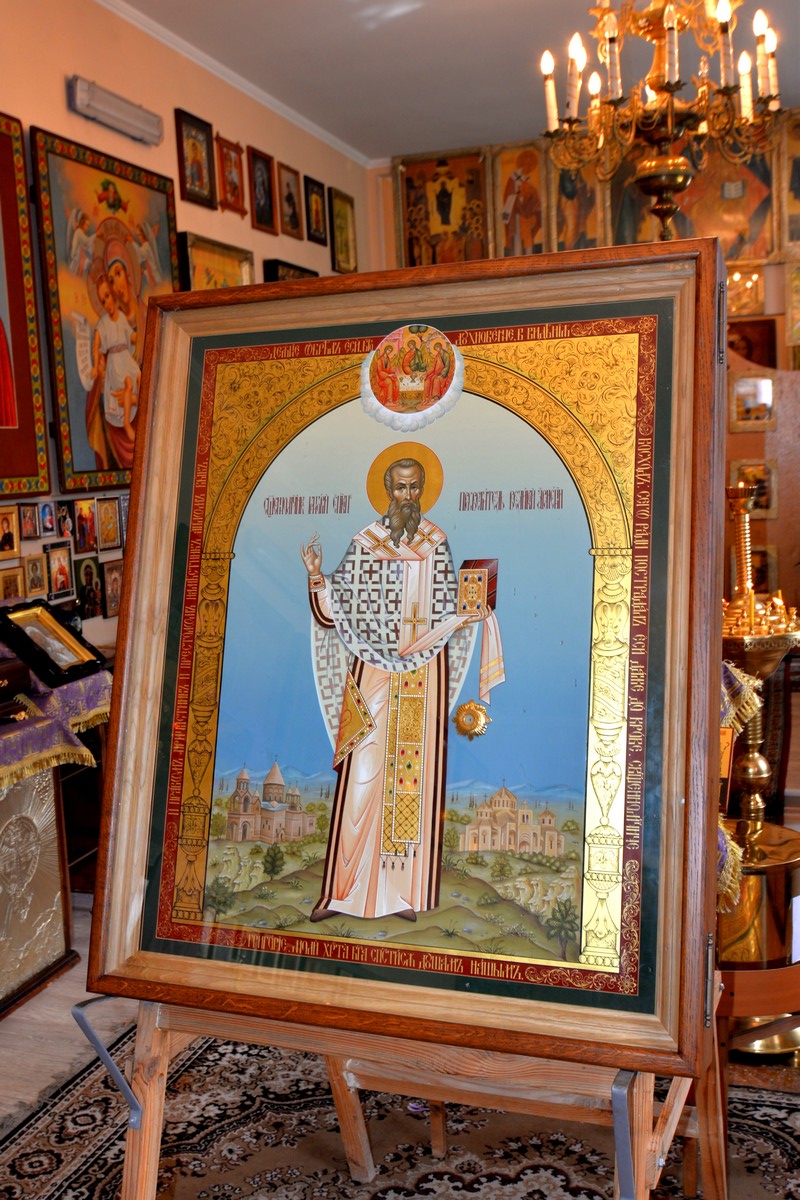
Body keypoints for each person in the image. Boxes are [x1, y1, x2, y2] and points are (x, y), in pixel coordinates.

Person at [301, 455, 504, 922]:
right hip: (373, 671)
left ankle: (398, 895)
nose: (407, 497)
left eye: (414, 488)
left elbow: (449, 608)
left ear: (423, 490)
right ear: (387, 490)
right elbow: (336, 611)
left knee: (409, 783)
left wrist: (473, 608)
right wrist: (316, 574)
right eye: (400, 488)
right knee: (362, 776)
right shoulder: (365, 544)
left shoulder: (436, 543)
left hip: (421, 676)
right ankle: (344, 893)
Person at [91, 272, 139, 444]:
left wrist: (144, 332)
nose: (107, 303)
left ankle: (138, 409)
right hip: (116, 361)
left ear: (113, 294)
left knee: (139, 377)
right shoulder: (104, 322)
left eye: (108, 296)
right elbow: (96, 344)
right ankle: (126, 423)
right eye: (102, 301)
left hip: (126, 357)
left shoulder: (122, 317)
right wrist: (95, 366)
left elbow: (131, 337)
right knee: (128, 382)